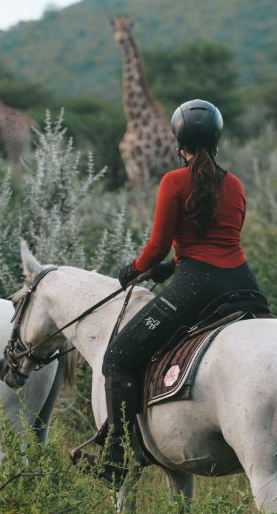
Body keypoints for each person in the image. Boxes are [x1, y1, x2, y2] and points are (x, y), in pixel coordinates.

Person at [101, 99, 261, 471]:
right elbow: (220, 242)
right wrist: (168, 268)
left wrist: (134, 269)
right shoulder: (235, 185)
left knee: (119, 358)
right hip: (242, 284)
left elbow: (156, 247)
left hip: (197, 287)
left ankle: (118, 456)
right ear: (217, 138)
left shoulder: (174, 181)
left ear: (178, 141)